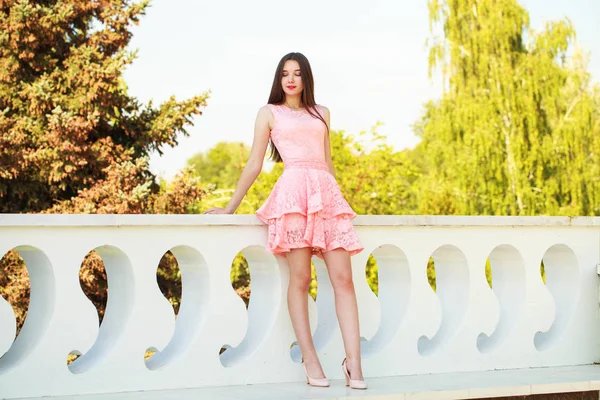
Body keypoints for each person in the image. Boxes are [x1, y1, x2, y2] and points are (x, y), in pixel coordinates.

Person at [204, 52, 366, 390]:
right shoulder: (269, 114)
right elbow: (254, 164)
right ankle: (310, 359)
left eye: (297, 74)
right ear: (278, 80)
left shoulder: (322, 113)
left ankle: (354, 365)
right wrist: (230, 207)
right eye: (284, 74)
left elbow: (328, 161)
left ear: (306, 78)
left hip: (324, 195)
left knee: (343, 279)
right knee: (301, 278)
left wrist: (339, 202)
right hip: (293, 196)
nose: (290, 79)